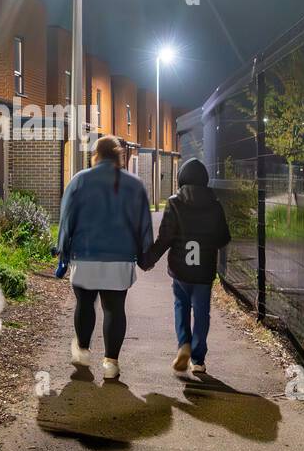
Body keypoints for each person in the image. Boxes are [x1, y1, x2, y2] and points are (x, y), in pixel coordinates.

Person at [55, 135, 153, 380]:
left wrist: (62, 252)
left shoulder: (79, 181)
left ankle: (84, 350)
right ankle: (111, 363)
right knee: (114, 309)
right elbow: (144, 225)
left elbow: (66, 220)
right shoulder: (135, 185)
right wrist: (144, 255)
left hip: (85, 254)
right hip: (120, 258)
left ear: (95, 155)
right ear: (119, 155)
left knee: (85, 304)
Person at [140, 157, 231, 374]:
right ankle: (198, 360)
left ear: (181, 178)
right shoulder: (215, 205)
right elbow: (223, 237)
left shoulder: (175, 202)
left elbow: (165, 238)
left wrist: (147, 260)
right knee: (202, 313)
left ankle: (184, 345)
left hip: (180, 270)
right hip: (204, 271)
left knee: (181, 306)